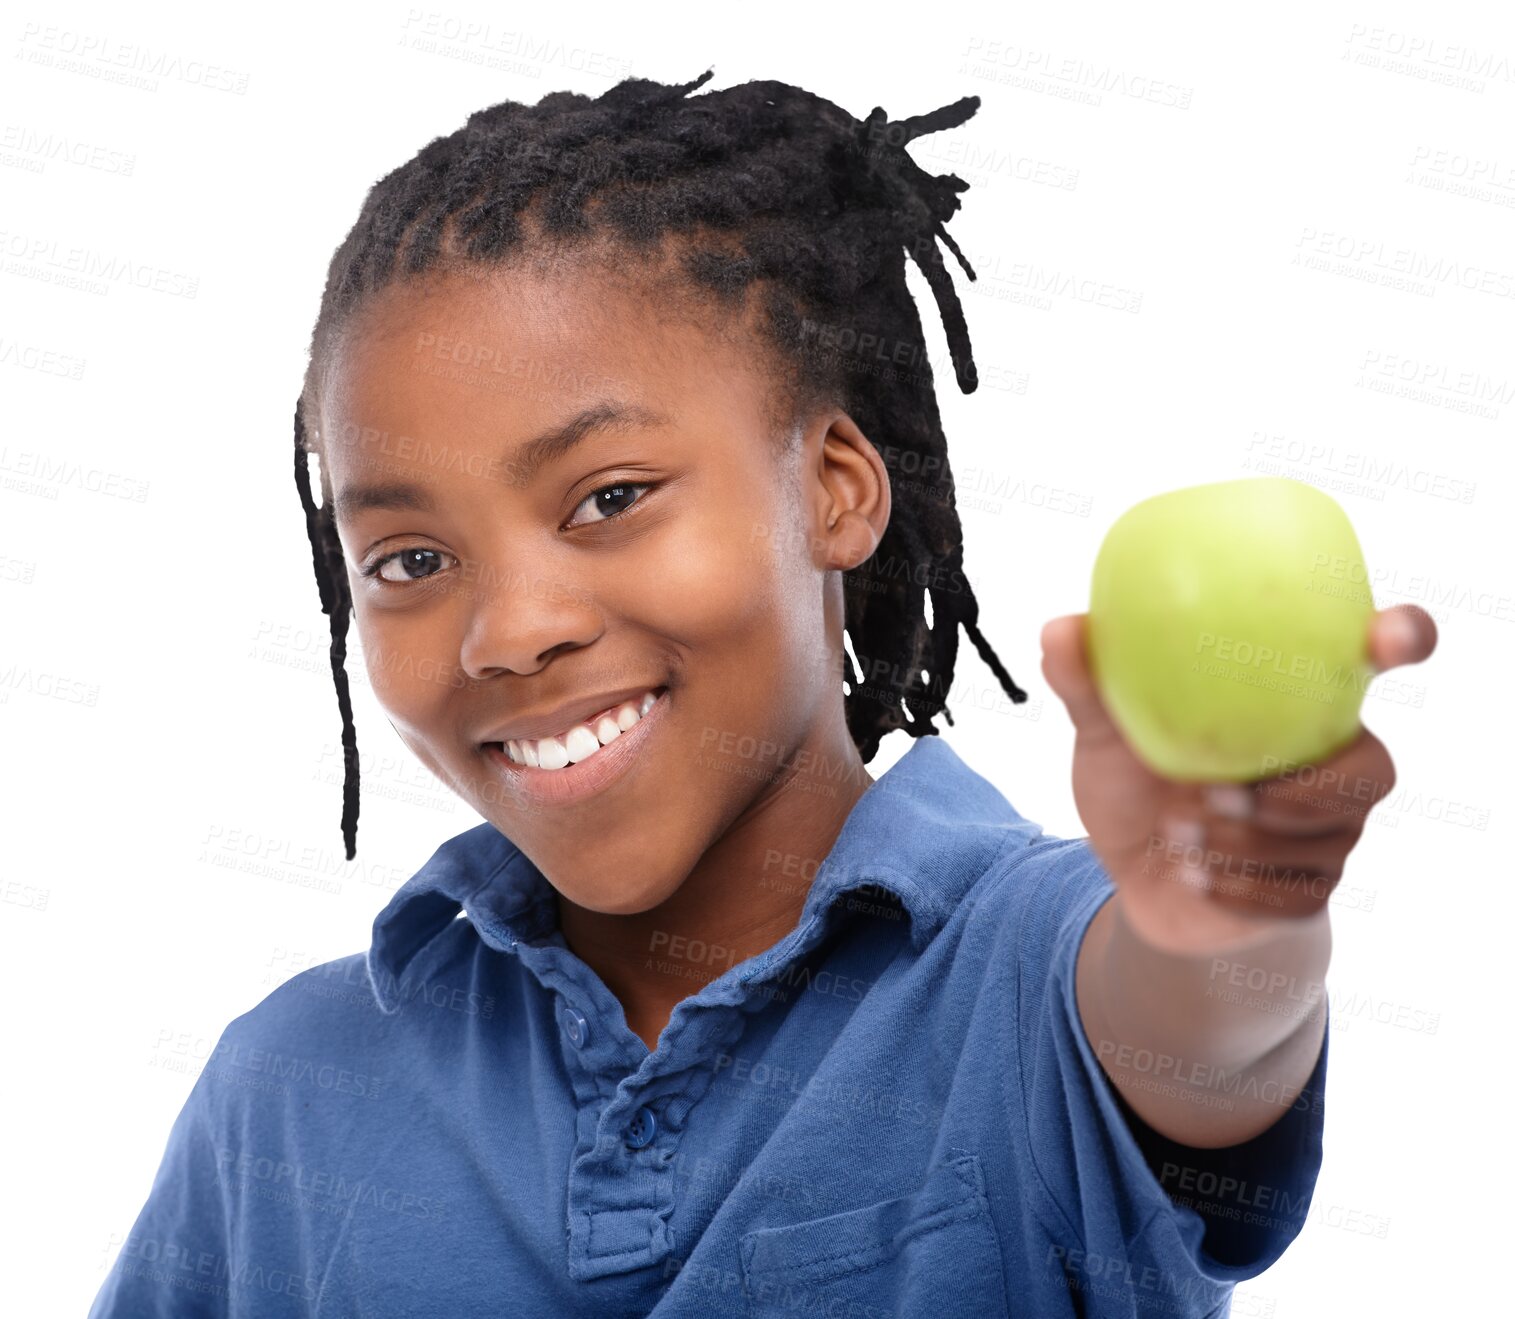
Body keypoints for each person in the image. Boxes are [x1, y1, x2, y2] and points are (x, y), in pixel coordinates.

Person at [90, 68, 1437, 1317]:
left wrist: (1229, 918)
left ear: (835, 489)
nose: (510, 631)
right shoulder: (287, 1092)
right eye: (411, 558)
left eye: (610, 498)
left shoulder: (1031, 973)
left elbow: (1204, 1036)